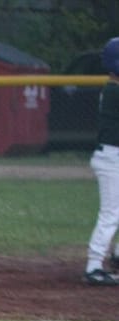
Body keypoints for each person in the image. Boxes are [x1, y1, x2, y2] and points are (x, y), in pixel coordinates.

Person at [82, 37, 119, 286]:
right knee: (111, 213)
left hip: (112, 156)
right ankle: (94, 265)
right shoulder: (114, 90)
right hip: (112, 159)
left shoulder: (112, 87)